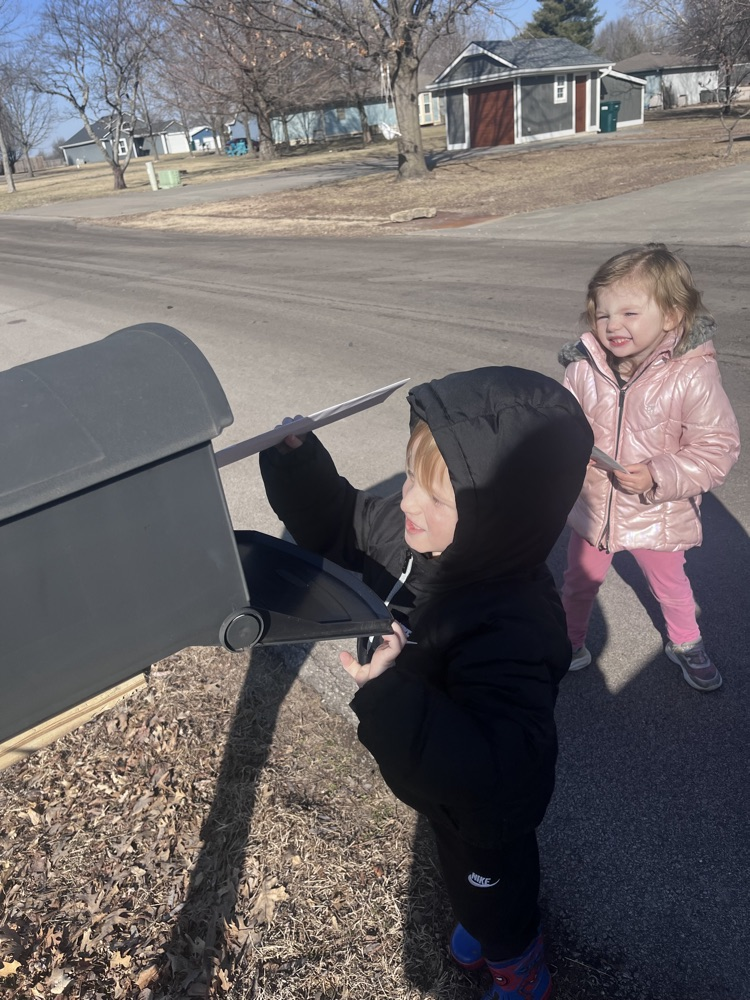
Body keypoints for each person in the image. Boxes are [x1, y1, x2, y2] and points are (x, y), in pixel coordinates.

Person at [259, 367, 593, 1000]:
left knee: (491, 877)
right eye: (412, 478)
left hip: (485, 808)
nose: (409, 501)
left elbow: (505, 774)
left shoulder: (512, 625)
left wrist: (390, 693)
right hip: (436, 786)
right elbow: (343, 520)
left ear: (500, 518)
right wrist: (299, 464)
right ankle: (483, 919)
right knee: (454, 863)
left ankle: (519, 961)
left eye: (438, 497)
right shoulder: (416, 541)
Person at [558, 243, 740, 691]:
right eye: (603, 315)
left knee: (671, 586)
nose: (613, 326)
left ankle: (685, 643)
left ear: (673, 316)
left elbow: (717, 447)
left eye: (629, 314)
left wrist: (658, 473)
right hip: (594, 506)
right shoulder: (584, 368)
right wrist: (565, 446)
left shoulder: (691, 374)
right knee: (578, 584)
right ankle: (568, 643)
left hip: (656, 510)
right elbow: (563, 420)